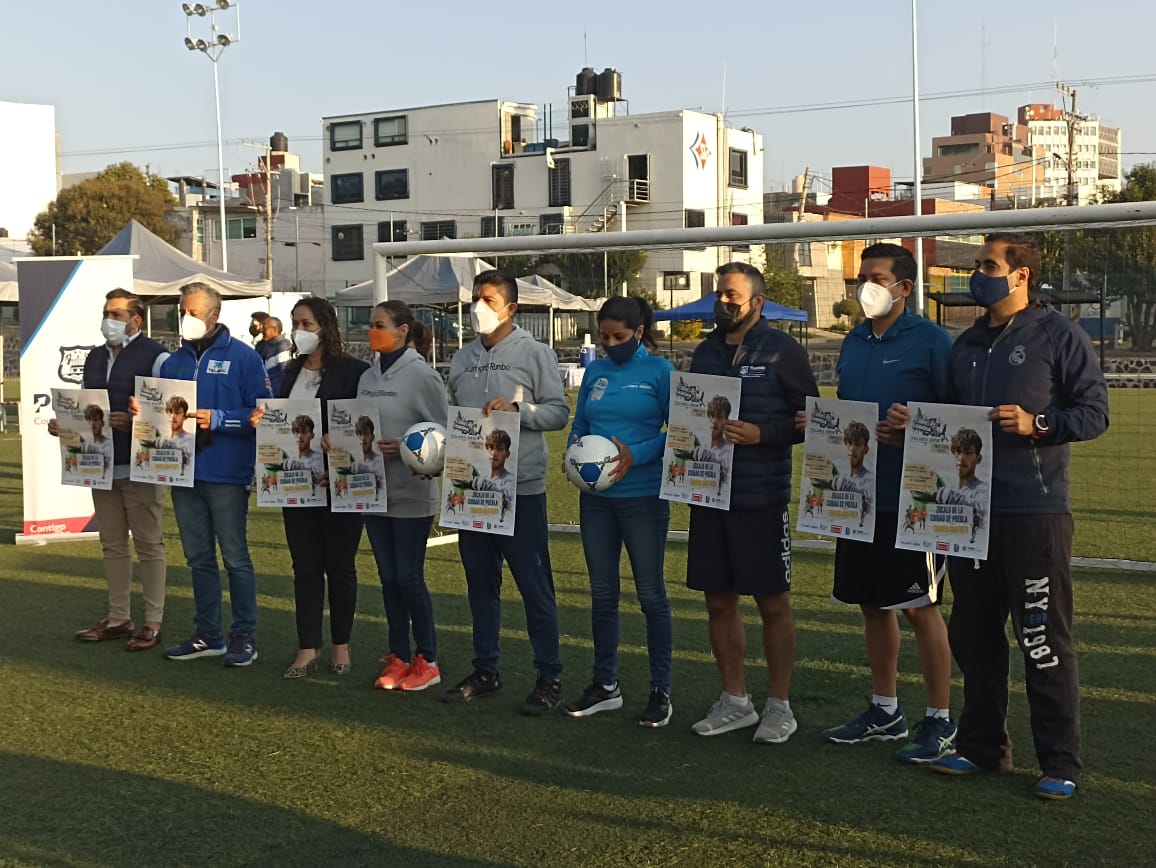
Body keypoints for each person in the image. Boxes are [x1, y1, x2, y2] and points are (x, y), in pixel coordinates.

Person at [890, 233, 1109, 800]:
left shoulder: (1058, 335)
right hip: (966, 513)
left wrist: (1038, 424)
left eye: (988, 265)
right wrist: (914, 424)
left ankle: (1060, 762)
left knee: (1041, 638)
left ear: (1020, 275)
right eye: (978, 265)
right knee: (974, 636)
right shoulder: (966, 344)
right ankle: (983, 747)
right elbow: (950, 421)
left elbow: (1094, 413)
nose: (977, 274)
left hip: (1033, 512)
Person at [804, 243, 957, 765]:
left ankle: (940, 718)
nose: (863, 286)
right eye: (860, 277)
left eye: (874, 277)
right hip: (856, 497)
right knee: (872, 604)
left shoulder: (932, 342)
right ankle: (885, 709)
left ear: (904, 287)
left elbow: (960, 418)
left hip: (913, 499)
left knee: (919, 607)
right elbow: (850, 413)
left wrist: (917, 427)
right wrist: (820, 424)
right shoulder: (853, 340)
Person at [688, 262, 818, 744]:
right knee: (718, 601)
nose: (723, 302)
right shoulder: (705, 351)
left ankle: (780, 706)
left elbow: (813, 421)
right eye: (719, 294)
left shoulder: (784, 350)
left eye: (732, 295)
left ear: (758, 302)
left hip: (760, 497)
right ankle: (735, 700)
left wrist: (764, 433)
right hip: (707, 493)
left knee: (772, 603)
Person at [442, 270, 569, 715]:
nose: (479, 307)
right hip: (472, 490)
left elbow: (559, 413)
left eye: (489, 300)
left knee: (534, 587)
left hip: (521, 489)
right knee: (480, 586)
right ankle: (486, 670)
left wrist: (519, 409)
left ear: (511, 308)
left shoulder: (535, 353)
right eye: (475, 298)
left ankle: (549, 676)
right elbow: (453, 418)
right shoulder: (461, 359)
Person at [139, 281, 271, 667]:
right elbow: (162, 416)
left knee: (235, 558)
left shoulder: (246, 358)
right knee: (198, 558)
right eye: (182, 311)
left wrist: (221, 419)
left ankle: (244, 635)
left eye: (193, 312)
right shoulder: (172, 362)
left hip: (227, 473)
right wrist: (143, 414)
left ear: (215, 314)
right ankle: (208, 635)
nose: (186, 318)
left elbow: (264, 414)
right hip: (182, 473)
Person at [563, 295, 675, 727]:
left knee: (650, 594)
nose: (610, 344)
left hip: (643, 497)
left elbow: (678, 432)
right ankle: (605, 685)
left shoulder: (660, 372)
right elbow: (581, 424)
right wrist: (574, 453)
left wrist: (637, 454)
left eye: (619, 336)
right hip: (595, 500)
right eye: (604, 337)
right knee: (602, 593)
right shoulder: (596, 371)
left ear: (640, 332)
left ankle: (660, 690)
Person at [252, 296, 368, 678]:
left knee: (340, 567)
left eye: (307, 324)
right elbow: (283, 420)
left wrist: (341, 442)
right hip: (296, 486)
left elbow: (365, 424)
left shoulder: (354, 372)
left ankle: (341, 646)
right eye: (295, 323)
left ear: (325, 327)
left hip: (339, 486)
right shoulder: (290, 372)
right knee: (304, 567)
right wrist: (265, 420)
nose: (299, 331)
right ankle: (307, 648)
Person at [50, 288, 169, 650]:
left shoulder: (157, 356)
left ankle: (152, 622)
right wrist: (65, 426)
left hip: (141, 465)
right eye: (106, 313)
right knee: (112, 544)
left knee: (149, 544)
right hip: (100, 466)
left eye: (116, 314)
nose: (108, 320)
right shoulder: (94, 357)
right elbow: (87, 409)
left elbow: (169, 413)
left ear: (136, 320)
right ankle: (118, 618)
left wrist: (137, 423)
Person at [356, 302, 449, 693]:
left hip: (411, 492)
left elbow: (444, 434)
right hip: (372, 491)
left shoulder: (423, 376)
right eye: (371, 324)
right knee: (388, 577)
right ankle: (398, 655)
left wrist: (409, 448)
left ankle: (427, 659)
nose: (372, 331)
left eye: (380, 325)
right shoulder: (367, 376)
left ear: (403, 330)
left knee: (409, 577)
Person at [936, 428, 990, 543]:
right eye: (957, 451)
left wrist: (950, 496)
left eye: (968, 452)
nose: (961, 458)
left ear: (978, 459)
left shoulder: (983, 489)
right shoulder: (948, 488)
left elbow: (982, 509)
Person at [831, 421, 874, 527]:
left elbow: (870, 503)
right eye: (849, 443)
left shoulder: (870, 479)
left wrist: (849, 487)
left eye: (858, 444)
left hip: (862, 531)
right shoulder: (840, 478)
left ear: (866, 449)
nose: (852, 448)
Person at [474, 429, 516, 521]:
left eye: (500, 449)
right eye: (491, 448)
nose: (494, 453)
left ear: (507, 454)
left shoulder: (510, 480)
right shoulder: (481, 479)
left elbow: (508, 501)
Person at [285, 414, 326, 495]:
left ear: (312, 435)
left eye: (304, 432)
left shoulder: (319, 459)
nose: (300, 436)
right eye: (297, 432)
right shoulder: (289, 460)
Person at [157, 396, 195, 475]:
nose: (173, 416)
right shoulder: (161, 440)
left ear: (185, 416)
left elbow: (188, 468)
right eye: (170, 412)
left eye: (177, 413)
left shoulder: (190, 440)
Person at [257, 316, 293, 397]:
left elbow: (285, 374)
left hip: (279, 396)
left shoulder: (282, 346)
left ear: (275, 329)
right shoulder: (266, 346)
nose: (261, 331)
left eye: (264, 328)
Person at [352, 415, 387, 494]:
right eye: (360, 434)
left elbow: (382, 490)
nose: (363, 438)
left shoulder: (380, 462)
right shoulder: (354, 465)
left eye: (366, 434)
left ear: (372, 437)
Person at [81, 404, 115, 474]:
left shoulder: (108, 445)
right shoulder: (84, 445)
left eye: (96, 420)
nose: (92, 423)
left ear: (102, 423)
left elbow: (108, 469)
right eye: (89, 419)